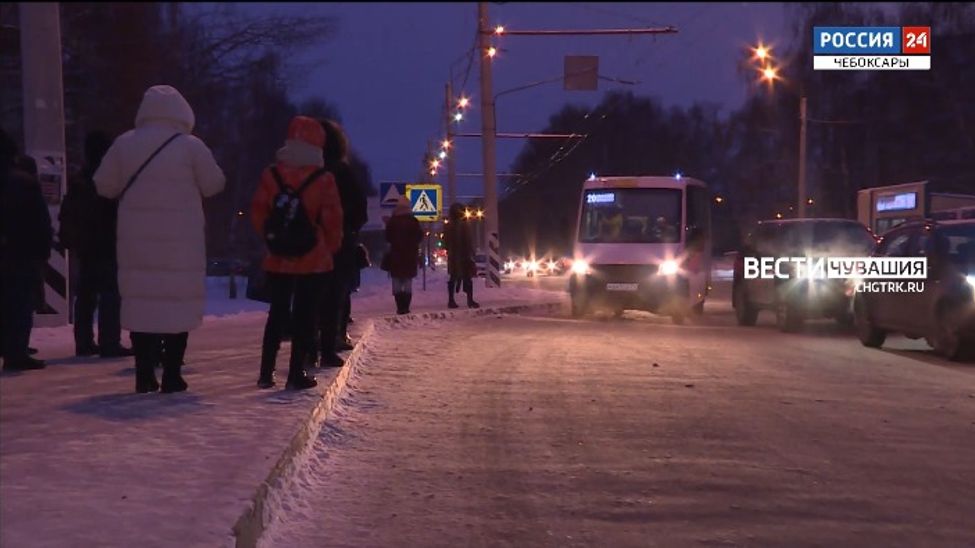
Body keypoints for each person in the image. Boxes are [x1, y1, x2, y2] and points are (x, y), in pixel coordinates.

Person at [94, 85, 225, 393]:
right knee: (176, 305)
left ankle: (143, 374)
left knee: (142, 304)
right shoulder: (191, 146)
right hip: (182, 241)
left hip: (136, 240)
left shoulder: (124, 144)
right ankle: (172, 375)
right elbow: (214, 184)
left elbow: (103, 185)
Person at [251, 115, 343, 389]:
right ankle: (295, 374)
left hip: (278, 257)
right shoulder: (323, 179)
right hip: (313, 259)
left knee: (276, 313)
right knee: (305, 315)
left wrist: (272, 239)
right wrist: (328, 247)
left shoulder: (271, 175)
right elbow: (332, 220)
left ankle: (266, 373)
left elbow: (258, 213)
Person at [60, 130, 132, 358]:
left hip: (85, 246)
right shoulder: (108, 179)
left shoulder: (79, 179)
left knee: (86, 295)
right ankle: (109, 342)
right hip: (107, 244)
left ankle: (83, 342)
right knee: (111, 293)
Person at [316, 119, 367, 366]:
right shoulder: (342, 171)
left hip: (307, 242)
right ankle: (327, 348)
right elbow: (360, 210)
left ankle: (304, 351)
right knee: (333, 295)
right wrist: (349, 230)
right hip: (337, 243)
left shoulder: (302, 168)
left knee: (308, 296)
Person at [0, 128, 52, 371]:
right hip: (20, 253)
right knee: (19, 302)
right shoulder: (23, 182)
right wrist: (43, 251)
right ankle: (16, 351)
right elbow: (39, 221)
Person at [384, 196, 423, 314]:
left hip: (396, 256)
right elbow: (419, 237)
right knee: (407, 282)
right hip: (410, 256)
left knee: (396, 282)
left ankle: (399, 307)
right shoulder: (413, 221)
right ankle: (406, 307)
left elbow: (387, 237)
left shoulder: (393, 221)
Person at [443, 202, 480, 309]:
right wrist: (471, 252)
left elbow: (445, 243)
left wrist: (450, 250)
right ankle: (470, 300)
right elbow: (468, 240)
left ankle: (451, 300)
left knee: (453, 277)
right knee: (467, 278)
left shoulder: (448, 226)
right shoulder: (465, 225)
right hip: (464, 255)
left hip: (453, 256)